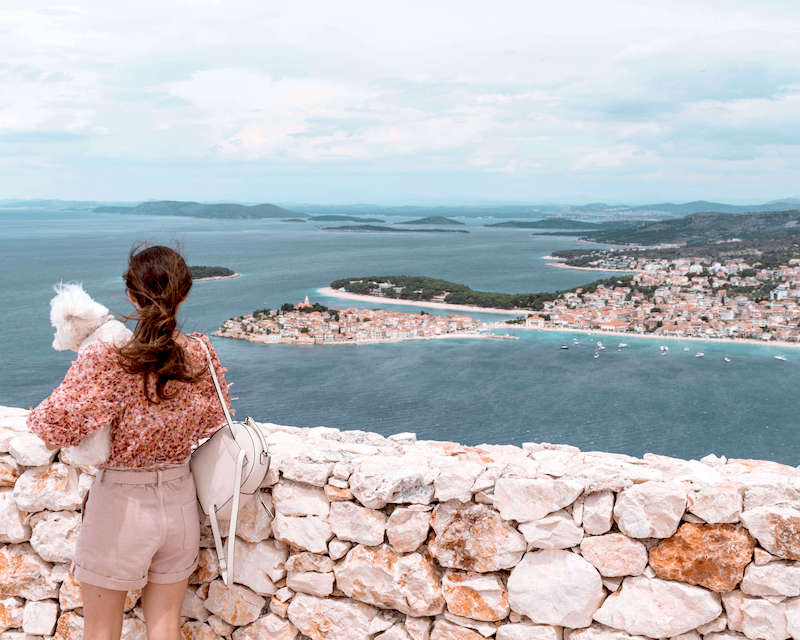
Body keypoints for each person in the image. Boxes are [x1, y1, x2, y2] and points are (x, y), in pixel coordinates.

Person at [28, 244, 232, 640]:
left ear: (130, 295)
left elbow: (50, 425)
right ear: (185, 293)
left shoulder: (109, 357)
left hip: (120, 506)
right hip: (180, 501)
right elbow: (215, 417)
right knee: (164, 628)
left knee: (102, 633)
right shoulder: (201, 352)